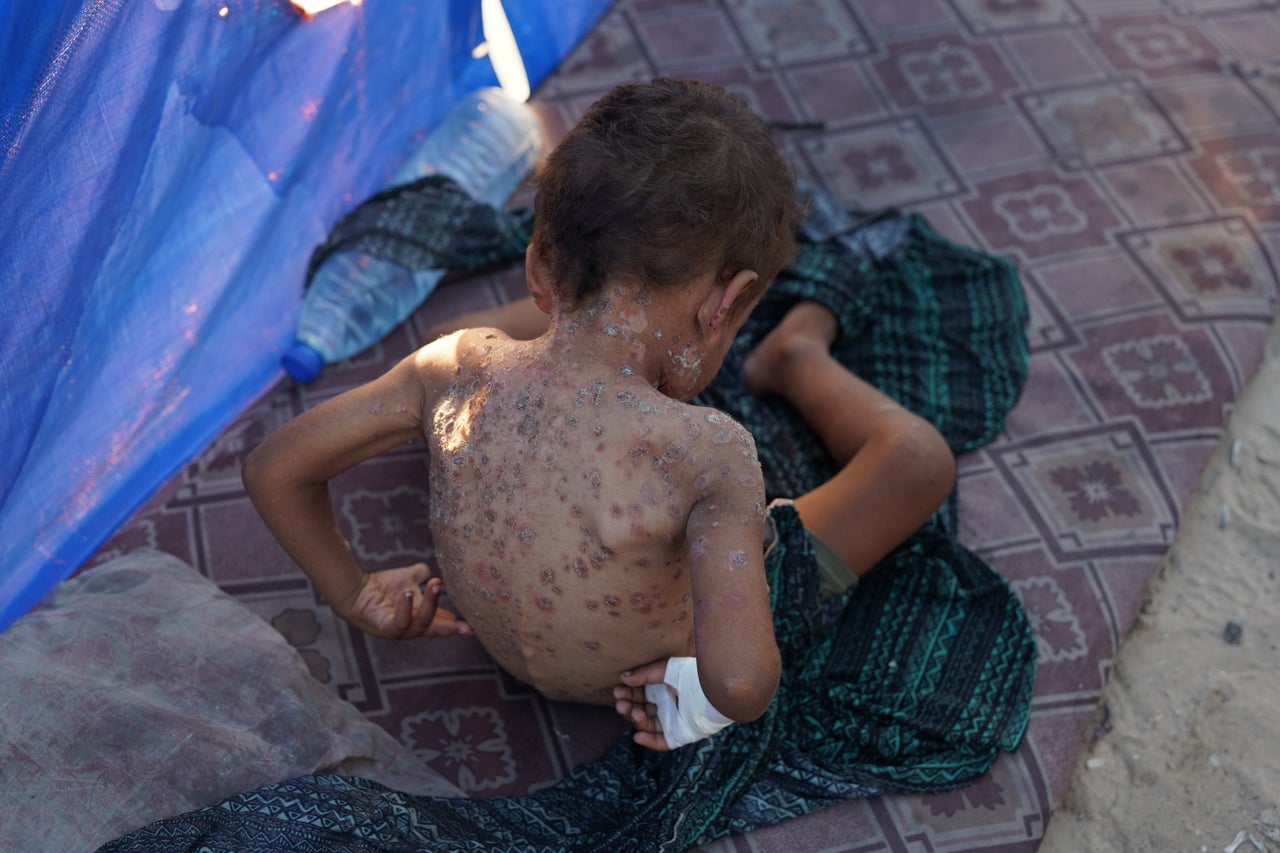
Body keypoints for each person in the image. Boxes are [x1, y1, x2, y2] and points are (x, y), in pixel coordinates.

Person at [242, 78, 955, 751]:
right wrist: (694, 705)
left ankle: (578, 305)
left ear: (537, 265)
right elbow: (741, 681)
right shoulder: (709, 451)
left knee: (493, 331)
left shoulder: (452, 367)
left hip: (506, 641)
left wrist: (359, 593)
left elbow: (273, 467)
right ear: (727, 303)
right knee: (918, 461)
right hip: (637, 672)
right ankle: (796, 355)